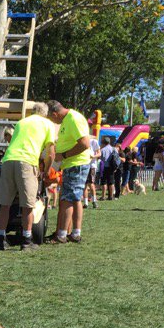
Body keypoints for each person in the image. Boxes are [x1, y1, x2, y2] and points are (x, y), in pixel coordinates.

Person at [0, 101, 55, 252]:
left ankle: (1, 239)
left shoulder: (21, 122)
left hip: (8, 160)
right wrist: (46, 171)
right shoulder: (47, 124)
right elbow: (51, 154)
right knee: (28, 205)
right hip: (27, 162)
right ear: (45, 113)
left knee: (5, 204)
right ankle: (26, 241)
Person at [47, 99, 91, 243]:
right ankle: (75, 233)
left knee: (67, 199)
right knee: (75, 198)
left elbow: (84, 144)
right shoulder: (68, 119)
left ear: (55, 114)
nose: (53, 121)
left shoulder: (73, 119)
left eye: (51, 118)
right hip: (73, 164)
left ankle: (61, 234)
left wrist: (64, 155)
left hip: (76, 164)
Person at [84, 136, 100, 209]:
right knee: (84, 185)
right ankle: (85, 203)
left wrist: (93, 156)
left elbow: (99, 153)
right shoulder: (81, 140)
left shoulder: (94, 141)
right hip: (83, 165)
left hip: (92, 166)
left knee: (91, 184)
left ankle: (94, 201)